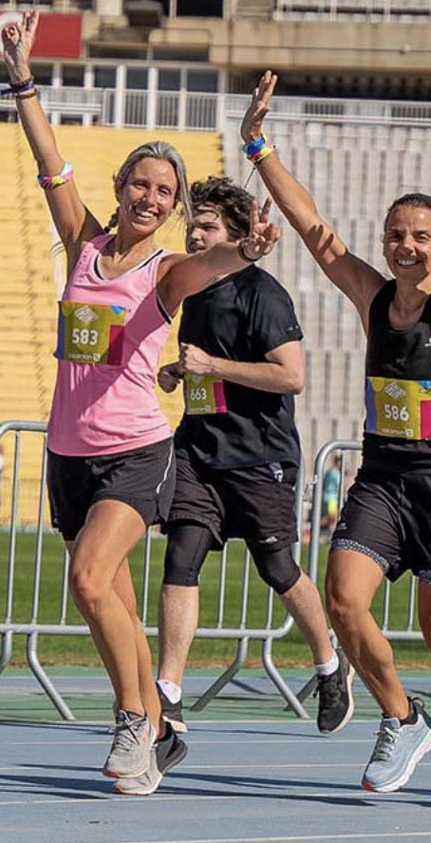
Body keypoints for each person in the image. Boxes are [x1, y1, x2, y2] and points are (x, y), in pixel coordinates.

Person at [2, 11, 280, 795]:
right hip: (69, 454)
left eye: (166, 190)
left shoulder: (165, 272)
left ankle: (133, 720)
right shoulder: (85, 245)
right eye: (140, 184)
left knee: (90, 581)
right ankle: (157, 726)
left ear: (174, 203)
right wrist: (23, 77)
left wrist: (249, 247)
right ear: (121, 187)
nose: (151, 198)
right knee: (108, 603)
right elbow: (49, 158)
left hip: (135, 452)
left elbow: (216, 262)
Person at [241, 70, 431, 793]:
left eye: (419, 236)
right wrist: (258, 145)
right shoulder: (374, 297)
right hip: (385, 479)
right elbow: (316, 229)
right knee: (346, 602)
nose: (404, 245)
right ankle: (403, 717)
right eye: (395, 234)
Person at [155, 176, 351, 736]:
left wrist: (213, 367)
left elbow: (292, 376)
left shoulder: (262, 293)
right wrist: (179, 373)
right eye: (192, 225)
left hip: (258, 456)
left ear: (239, 234)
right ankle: (167, 689)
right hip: (198, 451)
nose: (195, 235)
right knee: (181, 559)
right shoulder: (192, 291)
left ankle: (329, 664)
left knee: (278, 568)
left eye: (208, 226)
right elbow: (202, 367)